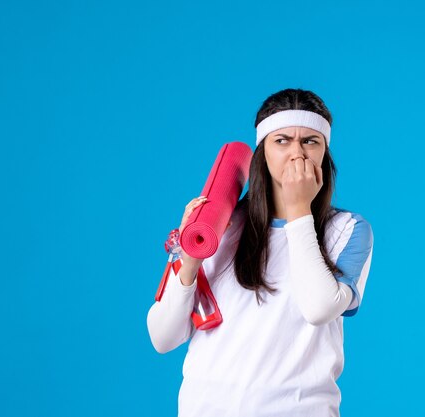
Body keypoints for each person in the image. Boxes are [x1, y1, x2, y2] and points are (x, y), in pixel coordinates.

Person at [146, 88, 374, 417]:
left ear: (325, 153)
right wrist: (190, 259)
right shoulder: (220, 226)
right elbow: (163, 337)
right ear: (262, 152)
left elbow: (319, 307)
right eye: (282, 140)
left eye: (310, 141)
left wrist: (298, 211)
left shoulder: (348, 230)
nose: (297, 153)